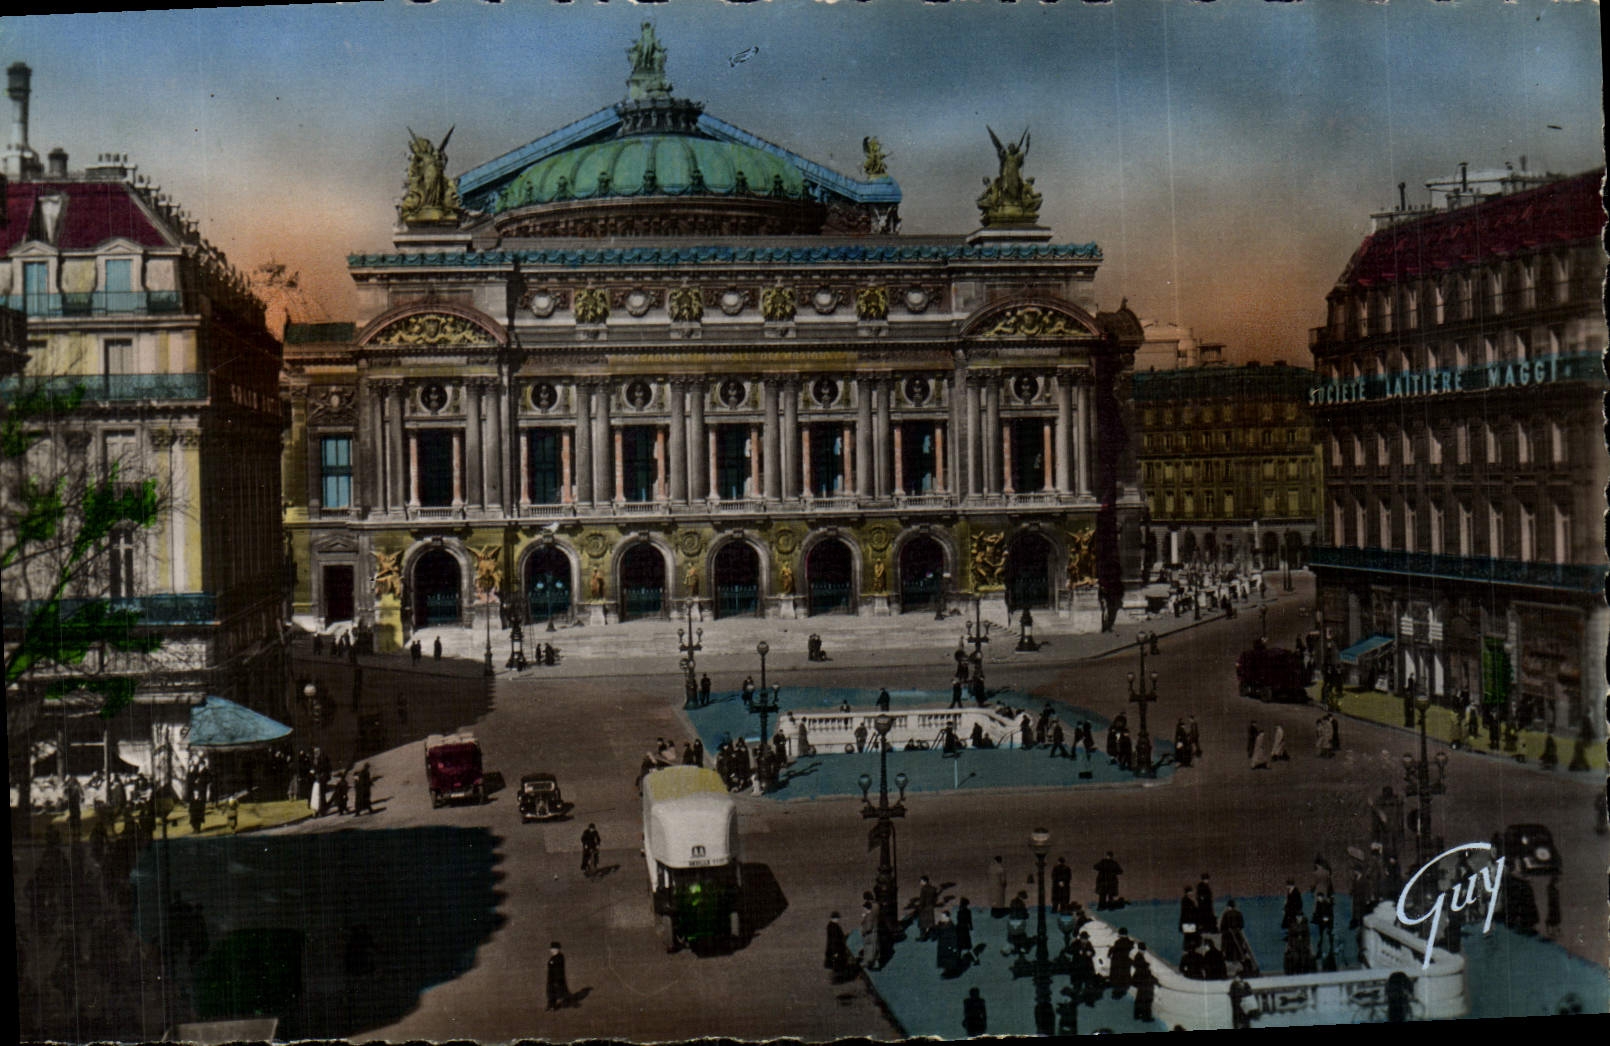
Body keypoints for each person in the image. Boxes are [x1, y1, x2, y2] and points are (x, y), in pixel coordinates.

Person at [1131, 943, 1157, 1022]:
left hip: (1139, 980)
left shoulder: (1138, 956)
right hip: (1144, 981)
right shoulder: (1140, 957)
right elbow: (1143, 969)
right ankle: (1146, 1016)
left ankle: (1137, 1014)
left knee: (1140, 998)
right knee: (1147, 998)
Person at [1107, 928, 1134, 997]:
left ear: (1120, 934)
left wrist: (1109, 953)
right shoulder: (1130, 943)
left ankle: (1117, 989)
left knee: (1117, 976)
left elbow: (1115, 949)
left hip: (1118, 961)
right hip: (1125, 962)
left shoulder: (1118, 942)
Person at [824, 911, 851, 979]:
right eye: (837, 918)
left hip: (833, 948)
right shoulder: (834, 927)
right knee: (838, 963)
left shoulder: (830, 926)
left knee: (836, 964)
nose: (838, 920)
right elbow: (835, 939)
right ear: (835, 918)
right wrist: (835, 951)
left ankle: (837, 976)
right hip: (837, 948)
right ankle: (838, 978)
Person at [859, 897, 882, 970]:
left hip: (870, 935)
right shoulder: (872, 914)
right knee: (875, 948)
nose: (863, 910)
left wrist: (863, 931)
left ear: (866, 909)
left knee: (870, 949)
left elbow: (868, 927)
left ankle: (868, 963)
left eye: (864, 908)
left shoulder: (868, 916)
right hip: (875, 933)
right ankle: (875, 964)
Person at [546, 941, 570, 1010]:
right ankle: (551, 1006)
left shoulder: (559, 957)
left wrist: (557, 979)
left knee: (556, 991)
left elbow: (558, 968)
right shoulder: (553, 957)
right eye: (551, 949)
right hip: (551, 978)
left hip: (557, 977)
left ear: (557, 949)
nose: (551, 950)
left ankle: (553, 1006)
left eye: (553, 949)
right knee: (550, 991)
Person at [916, 875, 939, 940]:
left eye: (921, 881)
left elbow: (922, 900)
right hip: (930, 907)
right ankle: (933, 936)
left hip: (924, 908)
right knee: (930, 923)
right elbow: (935, 898)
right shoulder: (932, 888)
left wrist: (920, 907)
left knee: (922, 923)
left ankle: (922, 937)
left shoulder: (923, 889)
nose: (920, 883)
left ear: (924, 881)